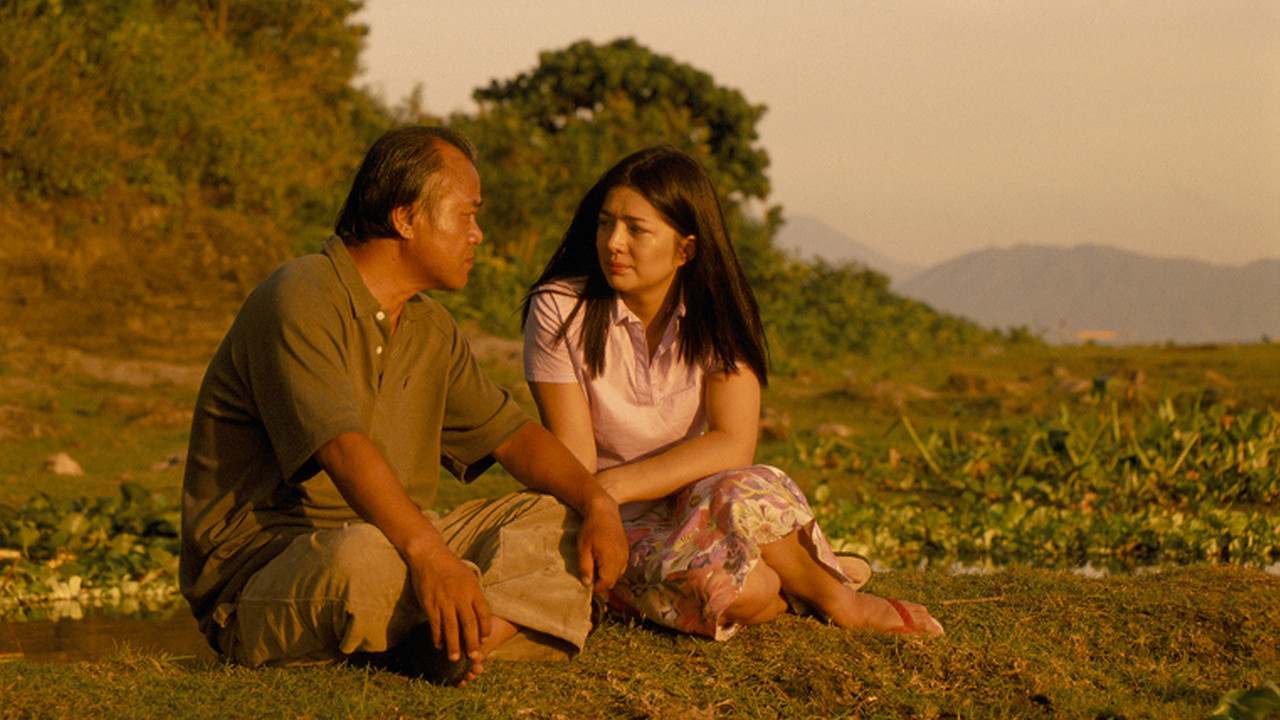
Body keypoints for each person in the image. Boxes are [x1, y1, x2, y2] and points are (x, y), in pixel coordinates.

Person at [180, 126, 628, 687]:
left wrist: (599, 504)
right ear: (405, 218)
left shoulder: (429, 326)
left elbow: (513, 437)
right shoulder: (301, 293)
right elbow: (341, 446)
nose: (478, 234)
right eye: (466, 215)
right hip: (271, 570)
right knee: (364, 559)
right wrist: (432, 556)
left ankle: (463, 639)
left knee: (555, 514)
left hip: (401, 541)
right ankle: (493, 624)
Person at [521, 146, 943, 640]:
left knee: (747, 485)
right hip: (613, 521)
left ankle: (840, 599)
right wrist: (601, 499)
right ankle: (793, 573)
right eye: (605, 223)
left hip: (698, 501)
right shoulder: (560, 308)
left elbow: (731, 443)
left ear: (686, 249)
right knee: (751, 591)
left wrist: (611, 485)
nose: (613, 242)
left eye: (636, 229)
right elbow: (575, 456)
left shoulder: (718, 311)